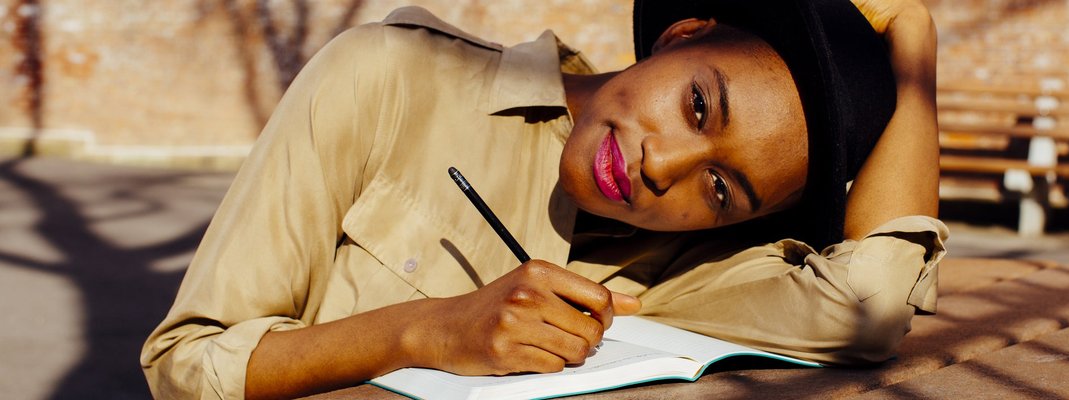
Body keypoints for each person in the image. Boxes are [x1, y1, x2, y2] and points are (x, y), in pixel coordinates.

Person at [141, 0, 947, 398]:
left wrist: (913, 43)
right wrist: (425, 331)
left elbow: (869, 302)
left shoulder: (688, 267)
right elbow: (182, 364)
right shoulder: (390, 79)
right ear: (679, 35)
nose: (664, 166)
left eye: (721, 189)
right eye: (699, 106)